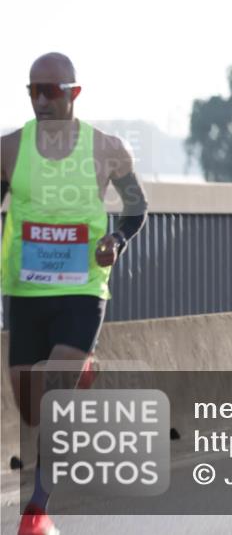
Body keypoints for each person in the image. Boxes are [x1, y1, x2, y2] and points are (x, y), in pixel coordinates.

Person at [1, 53, 149, 535]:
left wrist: (118, 240)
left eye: (51, 91)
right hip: (25, 289)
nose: (41, 99)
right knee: (27, 401)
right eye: (33, 90)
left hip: (83, 287)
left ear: (74, 93)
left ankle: (37, 511)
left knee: (52, 398)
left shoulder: (106, 149)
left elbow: (135, 208)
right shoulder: (9, 149)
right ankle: (85, 369)